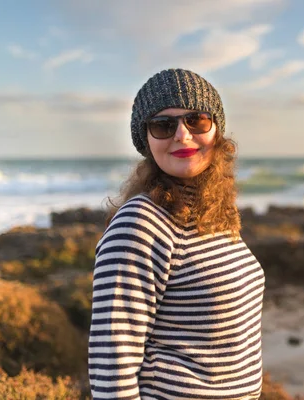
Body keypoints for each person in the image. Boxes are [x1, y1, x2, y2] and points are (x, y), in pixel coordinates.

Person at [88, 68, 265, 400]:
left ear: (216, 130)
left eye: (196, 120)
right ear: (146, 140)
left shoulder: (215, 215)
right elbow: (111, 370)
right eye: (163, 125)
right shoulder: (140, 223)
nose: (182, 136)